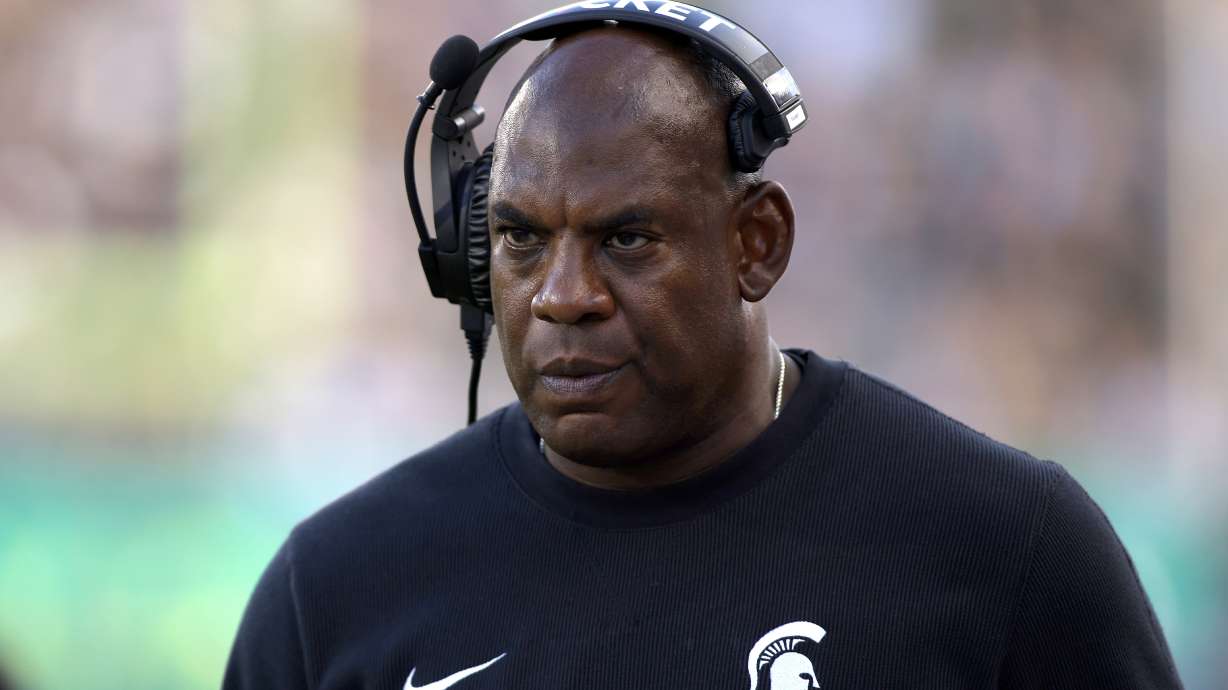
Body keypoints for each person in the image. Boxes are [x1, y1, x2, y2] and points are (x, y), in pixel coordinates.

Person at [223, 21, 1183, 690]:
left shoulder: (1008, 545)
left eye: (627, 239)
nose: (563, 295)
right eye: (520, 240)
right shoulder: (334, 592)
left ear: (756, 243)